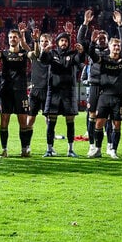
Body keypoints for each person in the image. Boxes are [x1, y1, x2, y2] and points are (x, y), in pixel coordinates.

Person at [0, 21, 33, 157]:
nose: (12, 39)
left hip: (21, 91)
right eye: (10, 37)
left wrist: (25, 39)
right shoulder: (4, 53)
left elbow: (34, 55)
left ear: (18, 39)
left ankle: (24, 149)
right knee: (4, 120)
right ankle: (4, 150)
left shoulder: (24, 53)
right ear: (8, 39)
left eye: (15, 37)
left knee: (23, 121)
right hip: (6, 91)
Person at [39, 27, 85, 157]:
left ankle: (70, 150)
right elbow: (43, 60)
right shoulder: (51, 53)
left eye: (66, 41)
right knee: (51, 121)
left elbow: (80, 59)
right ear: (58, 42)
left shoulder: (72, 55)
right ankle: (49, 149)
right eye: (61, 40)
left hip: (68, 93)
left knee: (70, 121)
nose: (64, 43)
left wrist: (81, 52)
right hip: (53, 92)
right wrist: (44, 51)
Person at [85, 29, 122, 158]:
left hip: (118, 98)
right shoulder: (103, 59)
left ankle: (113, 150)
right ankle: (97, 149)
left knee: (117, 124)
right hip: (104, 96)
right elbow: (92, 55)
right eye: (114, 45)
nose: (116, 47)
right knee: (99, 123)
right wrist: (93, 42)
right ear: (109, 47)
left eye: (118, 45)